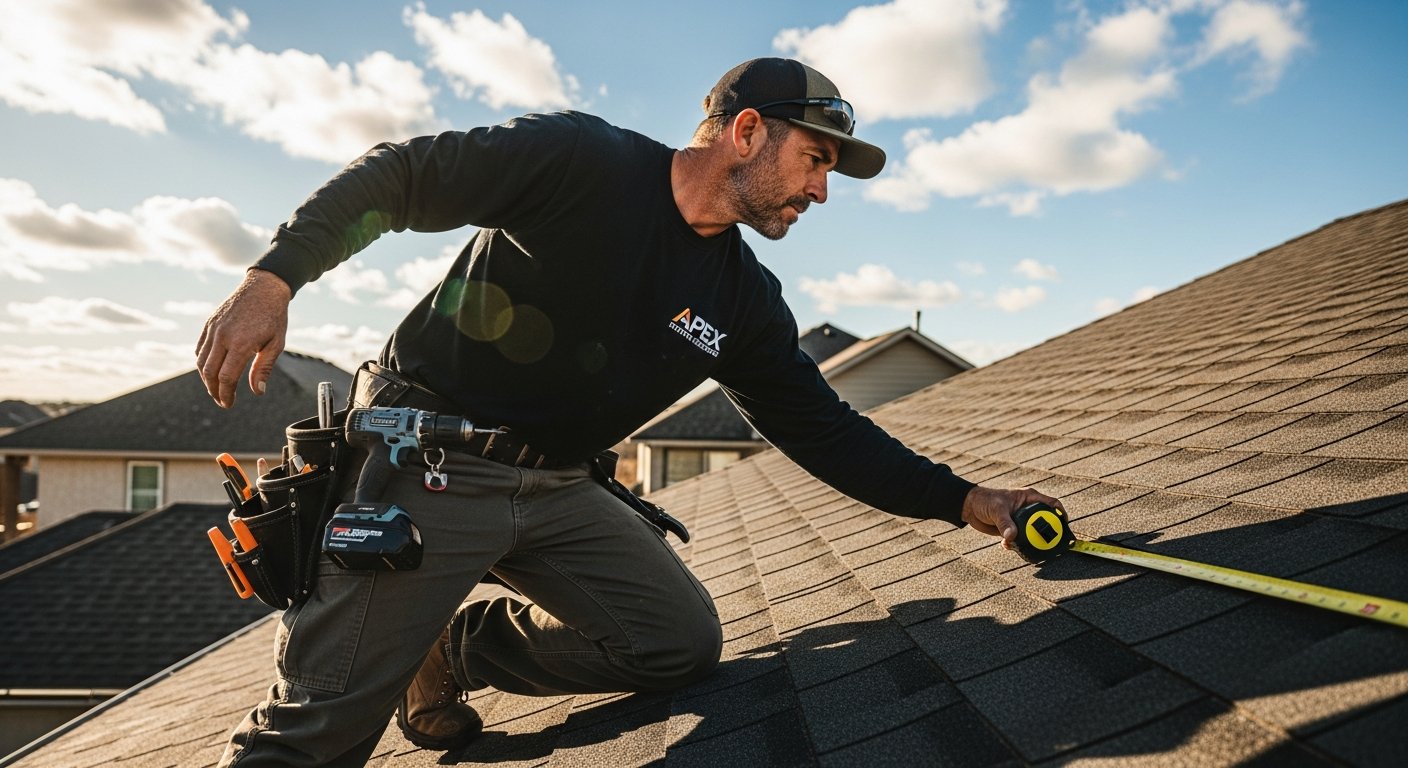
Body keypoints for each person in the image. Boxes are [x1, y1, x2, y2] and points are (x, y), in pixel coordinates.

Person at [197, 57, 1065, 766]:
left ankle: (449, 649)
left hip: (558, 488)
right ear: (747, 132)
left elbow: (825, 430)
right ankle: (388, 650)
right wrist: (274, 277)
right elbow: (401, 175)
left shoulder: (743, 301)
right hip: (428, 461)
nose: (821, 191)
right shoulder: (581, 161)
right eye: (815, 160)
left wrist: (964, 499)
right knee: (311, 737)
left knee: (677, 644)